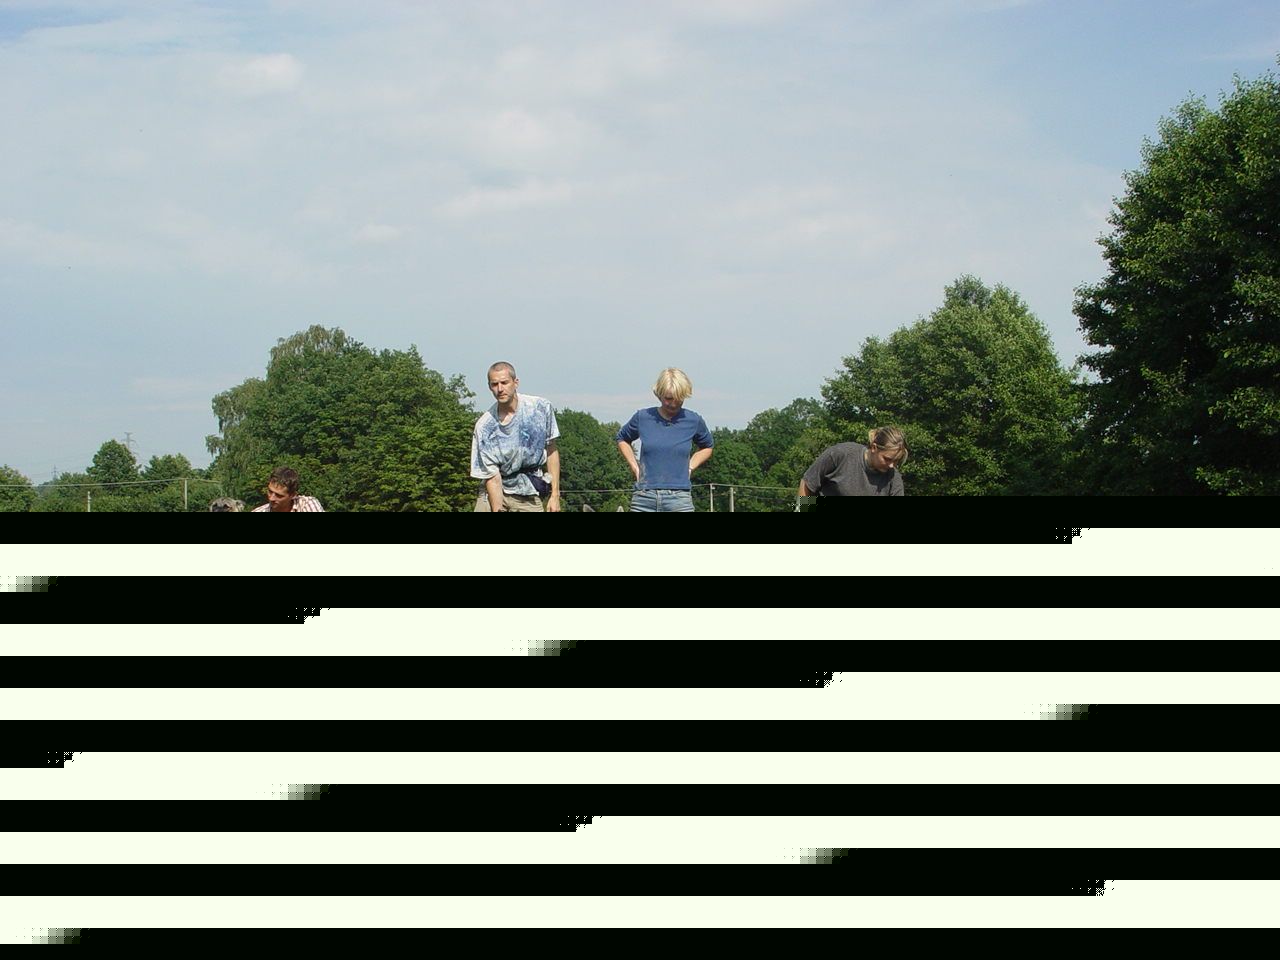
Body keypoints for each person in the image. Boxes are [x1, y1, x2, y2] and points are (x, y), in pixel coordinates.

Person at [615, 368, 713, 512]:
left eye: (679, 399)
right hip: (644, 497)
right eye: (669, 398)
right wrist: (634, 466)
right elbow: (622, 438)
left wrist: (690, 467)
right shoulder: (643, 417)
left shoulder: (693, 420)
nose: (673, 404)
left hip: (679, 499)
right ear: (659, 394)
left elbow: (707, 447)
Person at [471, 362, 561, 512]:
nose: (500, 389)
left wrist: (555, 495)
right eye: (495, 384)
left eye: (504, 382)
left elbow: (551, 450)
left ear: (516, 383)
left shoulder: (540, 408)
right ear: (489, 387)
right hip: (495, 489)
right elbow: (492, 478)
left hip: (528, 490)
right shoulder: (485, 427)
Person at [798, 426, 908, 498]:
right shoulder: (841, 454)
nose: (891, 465)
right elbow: (807, 484)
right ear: (874, 448)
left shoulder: (893, 478)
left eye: (896, 461)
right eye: (887, 459)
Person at [251, 466, 325, 512]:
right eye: (270, 491)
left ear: (293, 495)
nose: (271, 498)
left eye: (279, 495)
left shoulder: (306, 504)